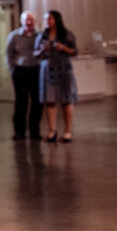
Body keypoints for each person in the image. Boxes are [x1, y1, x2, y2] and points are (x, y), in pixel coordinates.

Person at [34, 10, 78, 143]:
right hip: (48, 68)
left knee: (66, 100)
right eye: (46, 19)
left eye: (50, 19)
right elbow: (35, 53)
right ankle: (52, 131)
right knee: (50, 100)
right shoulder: (42, 36)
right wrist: (43, 49)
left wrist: (63, 48)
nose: (48, 22)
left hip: (63, 68)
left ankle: (68, 131)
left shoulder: (67, 34)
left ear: (56, 20)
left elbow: (74, 51)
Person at [5, 11, 43, 140]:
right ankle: (19, 132)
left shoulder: (40, 35)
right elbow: (8, 54)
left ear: (35, 21)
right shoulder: (14, 36)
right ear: (21, 21)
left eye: (31, 20)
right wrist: (12, 70)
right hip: (20, 71)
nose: (29, 22)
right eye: (26, 20)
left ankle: (35, 131)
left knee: (37, 102)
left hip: (36, 70)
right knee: (21, 102)